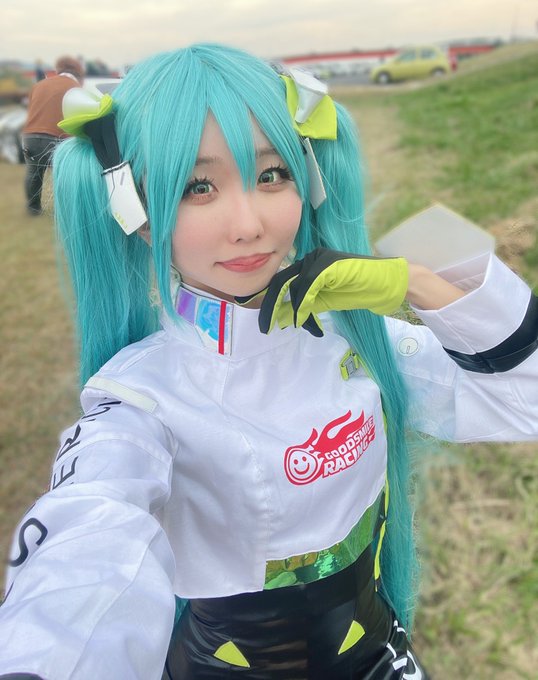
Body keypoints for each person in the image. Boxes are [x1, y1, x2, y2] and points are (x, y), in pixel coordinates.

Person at [0, 43, 536, 680]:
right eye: (198, 186)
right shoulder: (138, 397)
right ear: (136, 213)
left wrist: (418, 281)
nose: (249, 223)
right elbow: (85, 557)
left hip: (381, 659)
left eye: (272, 174)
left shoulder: (357, 341)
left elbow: (524, 401)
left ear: (309, 181)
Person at [21, 55, 84, 216]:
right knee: (63, 175)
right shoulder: (75, 88)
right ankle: (63, 211)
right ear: (77, 74)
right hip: (58, 137)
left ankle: (33, 209)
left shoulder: (39, 85)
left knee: (33, 172)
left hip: (30, 136)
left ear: (58, 70)